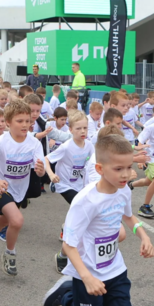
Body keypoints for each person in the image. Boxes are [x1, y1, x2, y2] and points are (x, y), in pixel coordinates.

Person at [41, 133, 154, 306]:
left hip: (115, 271)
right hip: (87, 275)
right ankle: (67, 294)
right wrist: (86, 277)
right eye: (119, 168)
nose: (127, 174)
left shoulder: (124, 190)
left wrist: (143, 235)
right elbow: (69, 246)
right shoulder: (85, 201)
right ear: (100, 169)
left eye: (129, 167)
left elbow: (127, 216)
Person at [0, 100, 46, 276]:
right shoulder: (0, 142)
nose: (25, 124)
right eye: (20, 121)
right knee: (16, 220)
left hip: (19, 189)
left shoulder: (34, 143)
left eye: (27, 121)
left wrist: (41, 171)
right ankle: (10, 254)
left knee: (4, 219)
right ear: (8, 123)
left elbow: (39, 169)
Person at [46, 109, 95, 272]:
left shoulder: (89, 146)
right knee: (80, 210)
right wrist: (52, 175)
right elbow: (46, 159)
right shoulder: (66, 147)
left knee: (78, 212)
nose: (82, 132)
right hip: (64, 185)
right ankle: (63, 255)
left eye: (85, 128)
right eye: (78, 128)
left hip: (79, 185)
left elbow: (93, 164)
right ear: (71, 130)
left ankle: (66, 228)